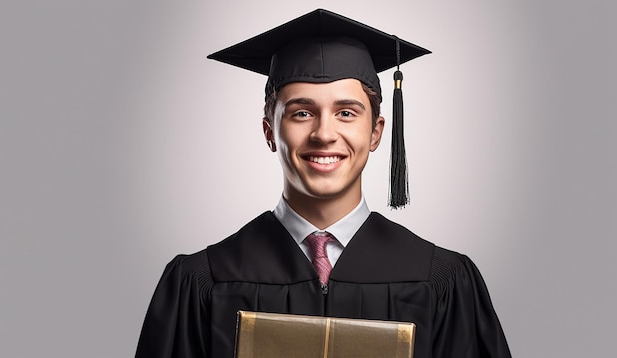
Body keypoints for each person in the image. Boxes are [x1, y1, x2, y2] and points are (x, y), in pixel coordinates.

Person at [135, 9, 511, 358]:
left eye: (346, 112)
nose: (324, 134)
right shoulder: (202, 282)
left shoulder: (442, 281)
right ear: (269, 132)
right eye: (302, 113)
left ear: (376, 132)